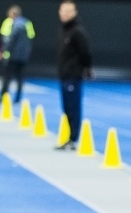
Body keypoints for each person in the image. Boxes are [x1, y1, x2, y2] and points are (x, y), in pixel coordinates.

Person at [55, 1, 92, 151]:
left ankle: (73, 139)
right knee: (66, 107)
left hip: (73, 75)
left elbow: (85, 52)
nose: (65, 13)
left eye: (69, 11)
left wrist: (85, 68)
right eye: (63, 10)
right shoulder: (62, 31)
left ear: (75, 12)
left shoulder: (78, 32)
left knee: (73, 107)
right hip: (63, 74)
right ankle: (70, 137)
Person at [0, 5, 34, 104]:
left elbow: (8, 40)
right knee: (20, 78)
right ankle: (18, 98)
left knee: (7, 77)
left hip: (12, 56)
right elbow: (31, 37)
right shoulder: (27, 23)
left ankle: (3, 97)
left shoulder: (12, 24)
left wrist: (4, 51)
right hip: (23, 56)